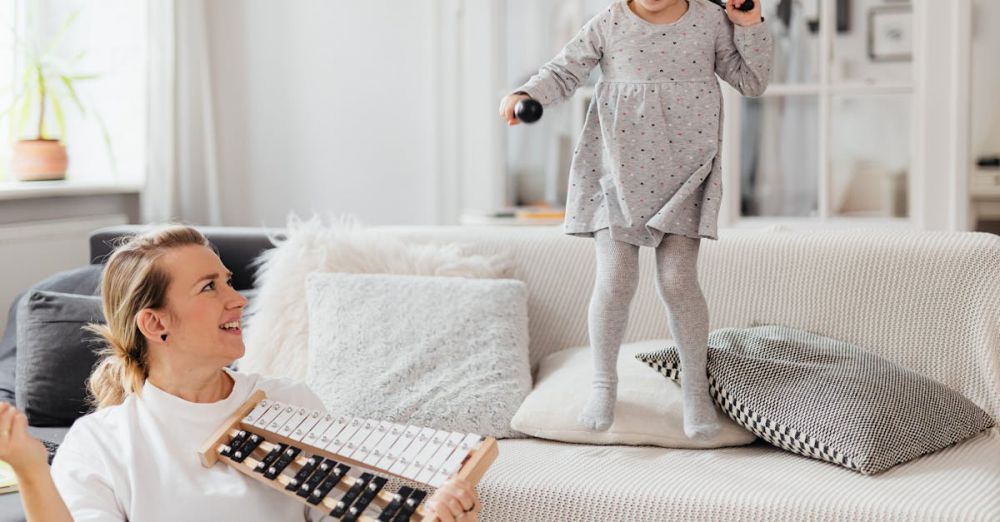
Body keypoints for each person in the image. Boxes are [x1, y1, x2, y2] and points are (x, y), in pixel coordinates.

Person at [0, 225, 480, 522]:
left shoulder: (291, 405)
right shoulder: (102, 442)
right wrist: (29, 470)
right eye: (210, 287)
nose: (237, 299)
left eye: (228, 280)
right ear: (156, 323)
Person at [498, 0, 772, 435]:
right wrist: (527, 94)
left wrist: (749, 23)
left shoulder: (709, 20)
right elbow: (565, 70)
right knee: (615, 280)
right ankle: (603, 382)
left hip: (686, 171)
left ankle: (695, 390)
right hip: (616, 172)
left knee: (679, 281)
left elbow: (752, 81)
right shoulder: (608, 22)